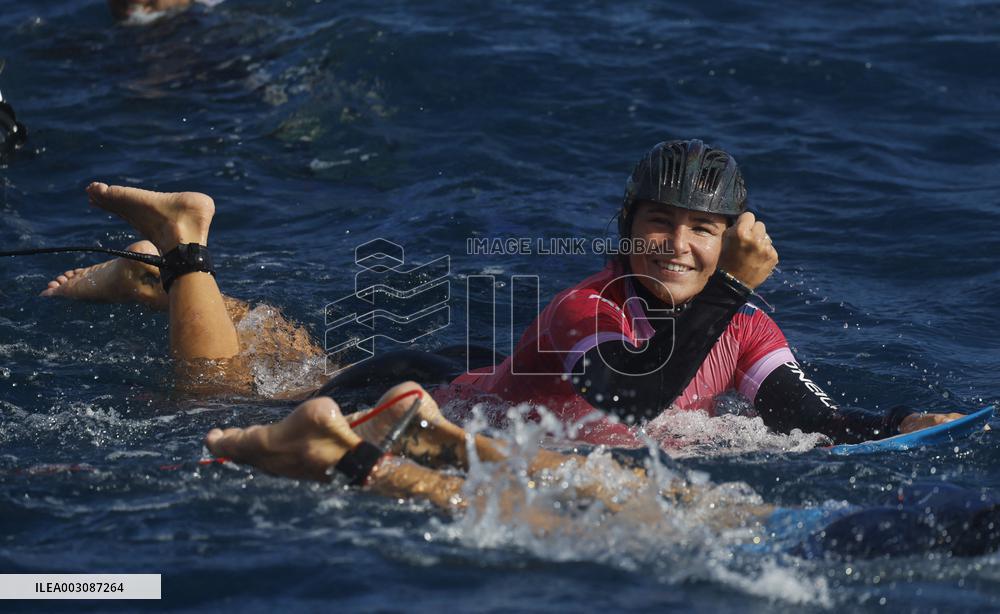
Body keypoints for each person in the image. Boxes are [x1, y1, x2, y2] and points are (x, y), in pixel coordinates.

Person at [432, 140, 963, 445]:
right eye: (660, 222)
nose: (677, 246)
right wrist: (729, 284)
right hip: (443, 403)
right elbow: (627, 401)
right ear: (627, 228)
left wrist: (902, 423)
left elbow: (811, 421)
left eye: (703, 229)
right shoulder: (585, 308)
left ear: (729, 239)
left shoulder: (745, 326)